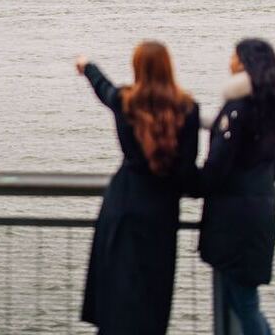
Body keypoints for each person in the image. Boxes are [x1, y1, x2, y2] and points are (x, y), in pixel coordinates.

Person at [75, 41, 199, 334]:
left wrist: (87, 66)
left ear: (136, 68)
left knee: (115, 299)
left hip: (122, 206)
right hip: (160, 214)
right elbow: (187, 173)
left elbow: (103, 87)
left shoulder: (125, 101)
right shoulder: (187, 109)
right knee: (151, 300)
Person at [196, 38, 275, 335]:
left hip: (233, 219)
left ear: (244, 63)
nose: (229, 61)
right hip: (260, 211)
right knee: (242, 298)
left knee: (244, 303)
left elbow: (218, 165)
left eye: (233, 56)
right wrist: (260, 179)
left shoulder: (239, 107)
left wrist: (194, 181)